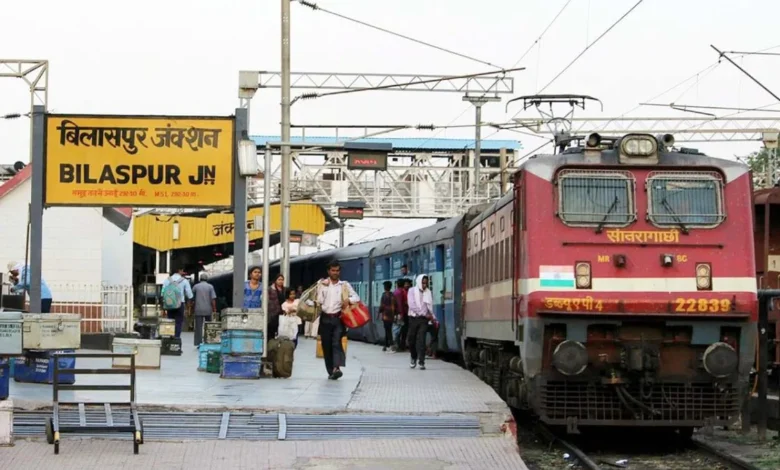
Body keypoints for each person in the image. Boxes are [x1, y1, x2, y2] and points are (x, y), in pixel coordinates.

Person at [315, 260, 359, 380]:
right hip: (325, 318)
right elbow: (316, 300)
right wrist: (321, 288)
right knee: (326, 345)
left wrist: (348, 300)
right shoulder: (321, 284)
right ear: (328, 271)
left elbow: (356, 297)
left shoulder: (344, 285)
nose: (335, 273)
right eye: (333, 270)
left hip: (338, 318)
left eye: (337, 270)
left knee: (336, 343)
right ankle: (331, 371)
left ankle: (337, 368)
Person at [406, 274, 433, 370]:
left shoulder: (428, 292)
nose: (424, 285)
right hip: (413, 318)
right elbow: (411, 304)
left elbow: (429, 306)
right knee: (411, 340)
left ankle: (421, 361)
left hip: (423, 320)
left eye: (426, 283)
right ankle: (413, 357)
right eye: (423, 283)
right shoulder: (412, 291)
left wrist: (432, 317)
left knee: (421, 339)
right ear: (418, 282)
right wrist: (421, 312)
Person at [162, 267, 194, 338]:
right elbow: (190, 295)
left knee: (170, 321)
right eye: (182, 270)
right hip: (180, 304)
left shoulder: (167, 280)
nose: (183, 272)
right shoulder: (184, 281)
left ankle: (171, 337)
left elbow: (162, 292)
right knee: (178, 322)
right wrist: (190, 300)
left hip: (169, 304)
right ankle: (176, 338)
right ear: (180, 270)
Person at [192, 273, 217, 346]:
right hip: (208, 310)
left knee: (198, 327)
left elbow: (192, 299)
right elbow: (213, 299)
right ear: (207, 279)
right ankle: (208, 340)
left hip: (198, 309)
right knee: (208, 326)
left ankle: (198, 343)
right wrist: (214, 308)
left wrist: (190, 308)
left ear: (200, 279)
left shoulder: (196, 286)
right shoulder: (210, 287)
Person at [266, 274, 286, 340]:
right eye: (279, 279)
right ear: (275, 280)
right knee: (271, 331)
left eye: (282, 280)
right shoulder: (270, 289)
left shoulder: (284, 290)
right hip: (272, 314)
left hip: (282, 313)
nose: (281, 281)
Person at [379, 280, 395, 352]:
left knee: (387, 331)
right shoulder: (392, 295)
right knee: (388, 330)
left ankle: (390, 345)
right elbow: (393, 306)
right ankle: (385, 345)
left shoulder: (383, 295)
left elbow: (381, 305)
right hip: (391, 315)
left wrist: (380, 311)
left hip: (385, 315)